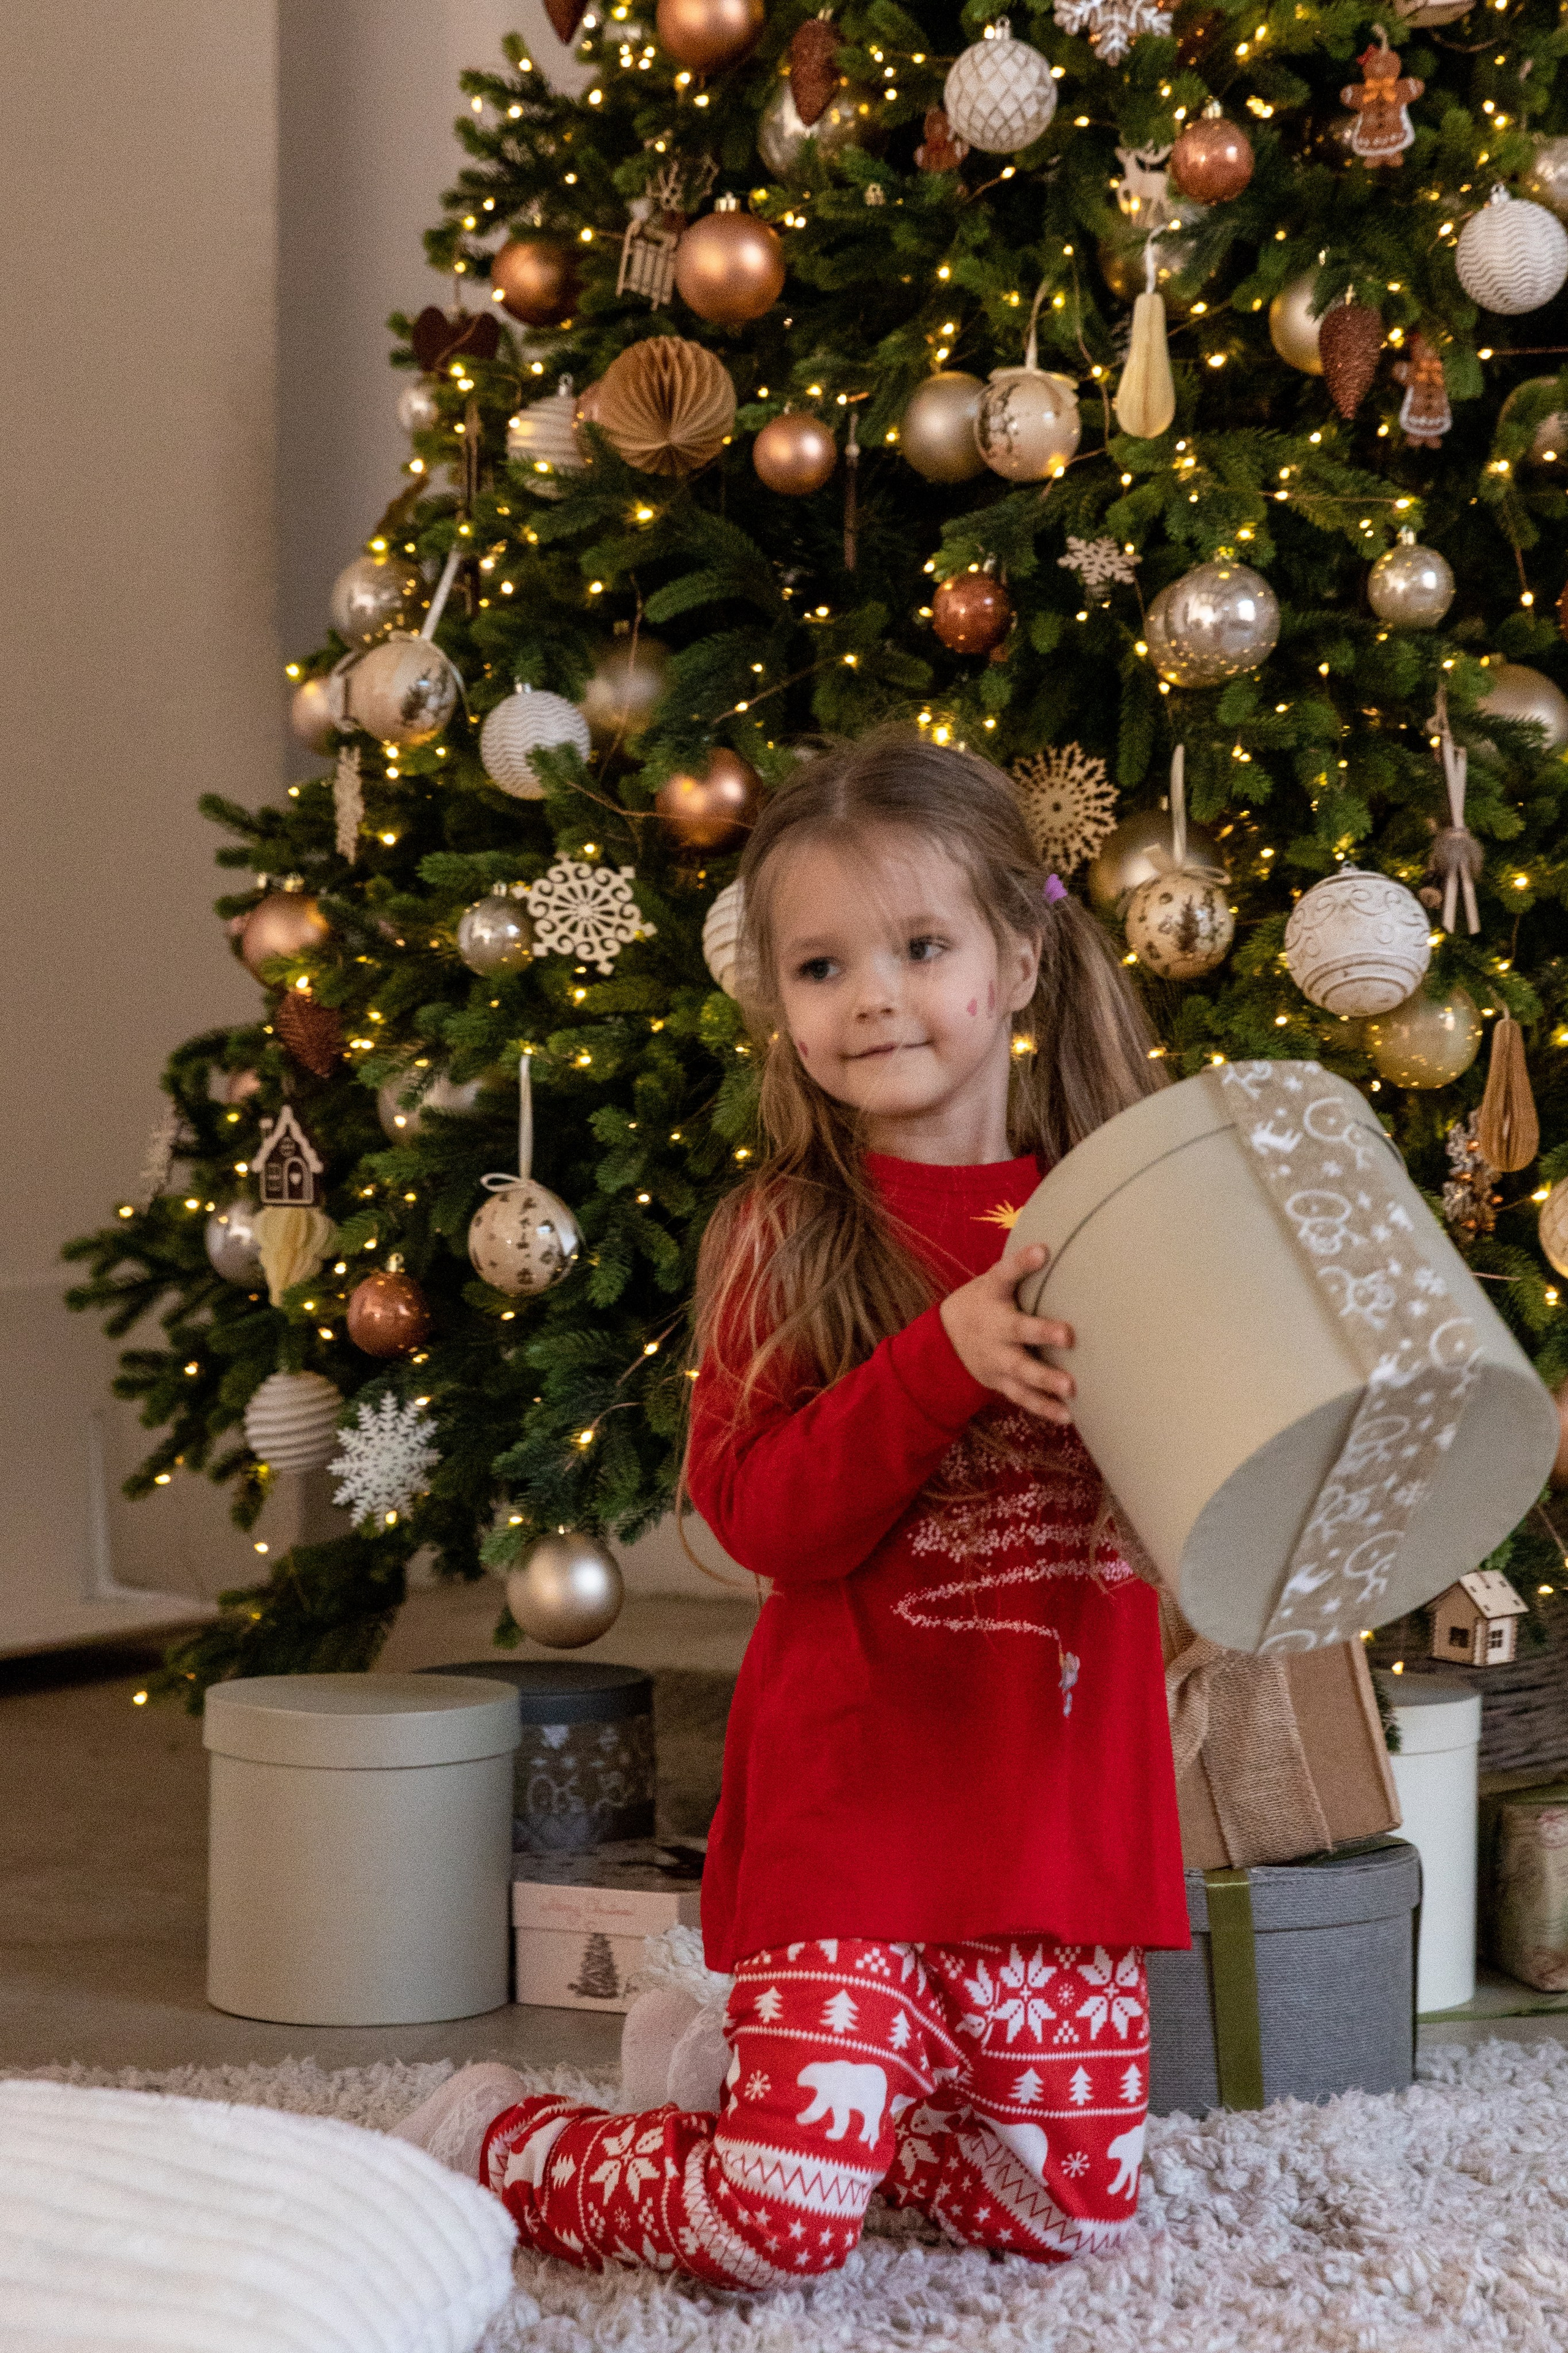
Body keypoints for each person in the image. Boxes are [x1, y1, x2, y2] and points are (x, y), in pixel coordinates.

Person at [396, 731, 1188, 2284]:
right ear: (780, 1002)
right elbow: (764, 1519)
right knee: (774, 2231)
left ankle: (785, 2088)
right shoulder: (792, 1231)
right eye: (822, 965)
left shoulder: (1129, 1211)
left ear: (1018, 957)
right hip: (856, 1825)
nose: (874, 993)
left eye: (921, 945)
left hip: (1054, 1821)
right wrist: (938, 1362)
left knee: (1073, 2220)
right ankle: (504, 2138)